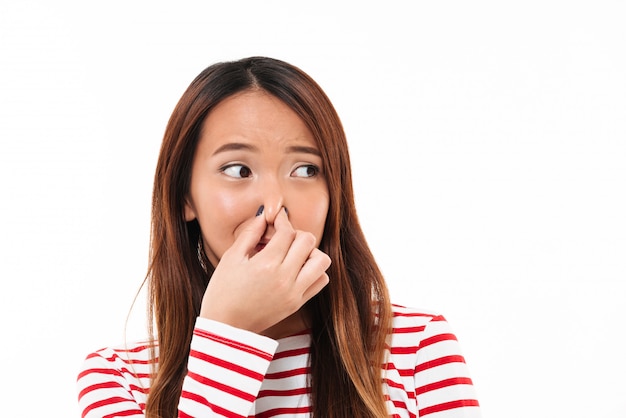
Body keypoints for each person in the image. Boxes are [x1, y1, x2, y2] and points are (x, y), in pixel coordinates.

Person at [76, 56, 481, 418]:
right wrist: (229, 333)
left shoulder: (416, 350)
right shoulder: (119, 379)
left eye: (305, 170)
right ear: (186, 196)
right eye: (238, 170)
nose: (273, 206)